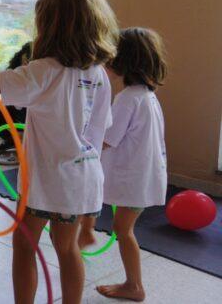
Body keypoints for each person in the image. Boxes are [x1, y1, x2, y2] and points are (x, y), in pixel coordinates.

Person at [0, 0, 119, 304]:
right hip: (81, 175)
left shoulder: (44, 70)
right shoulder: (98, 74)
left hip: (47, 178)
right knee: (67, 248)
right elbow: (101, 128)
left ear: (49, 28)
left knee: (25, 244)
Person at [79, 27, 168, 302]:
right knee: (122, 227)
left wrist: (79, 148)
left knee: (122, 229)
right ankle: (88, 233)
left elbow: (106, 139)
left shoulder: (128, 98)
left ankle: (134, 285)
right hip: (145, 176)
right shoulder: (146, 96)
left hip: (134, 179)